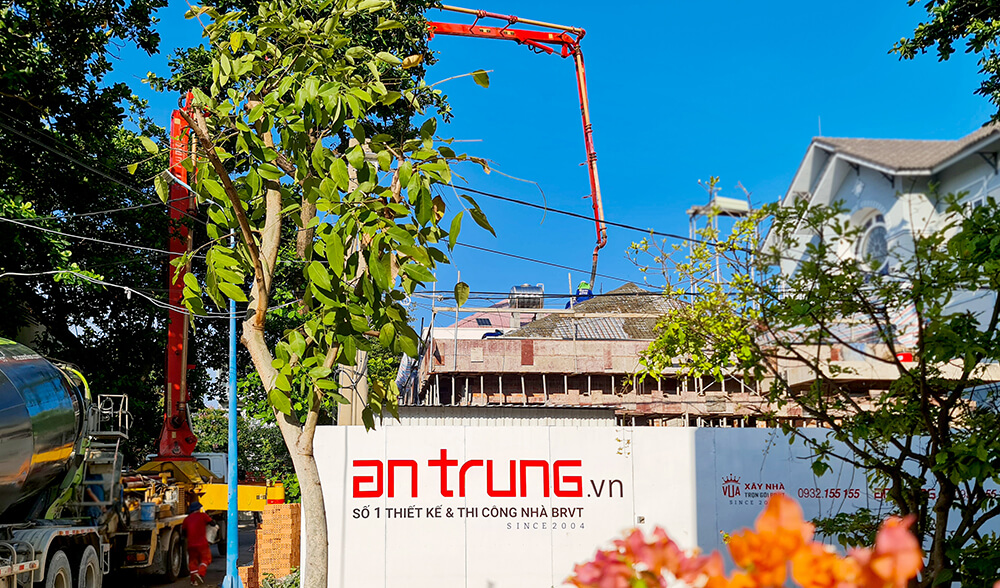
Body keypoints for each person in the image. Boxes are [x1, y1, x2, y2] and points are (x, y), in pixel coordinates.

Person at [182, 501, 217, 585]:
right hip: (202, 544)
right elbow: (212, 523)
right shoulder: (203, 516)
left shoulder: (187, 519)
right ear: (198, 509)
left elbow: (184, 533)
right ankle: (200, 573)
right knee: (206, 559)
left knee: (193, 562)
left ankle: (194, 580)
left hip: (191, 545)